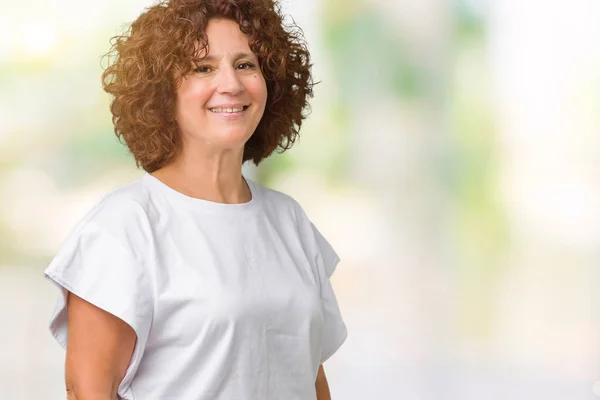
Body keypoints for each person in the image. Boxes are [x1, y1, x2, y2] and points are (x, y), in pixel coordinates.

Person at [43, 0, 347, 399]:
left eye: (245, 64)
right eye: (203, 68)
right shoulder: (123, 228)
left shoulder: (289, 221)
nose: (231, 85)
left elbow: (309, 376)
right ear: (161, 91)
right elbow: (88, 390)